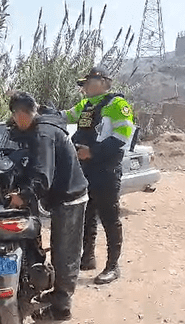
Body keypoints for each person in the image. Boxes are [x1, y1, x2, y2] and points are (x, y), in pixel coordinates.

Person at [7, 92, 89, 320]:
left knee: (66, 252)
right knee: (59, 246)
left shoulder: (44, 133)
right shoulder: (45, 124)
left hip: (70, 197)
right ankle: (57, 294)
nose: (14, 121)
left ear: (21, 114)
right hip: (64, 196)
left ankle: (62, 307)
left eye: (14, 117)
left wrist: (24, 195)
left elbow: (43, 176)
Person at [65, 66, 135, 285]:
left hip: (106, 171)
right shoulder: (86, 105)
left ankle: (113, 266)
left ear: (104, 81)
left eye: (88, 82)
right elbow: (65, 115)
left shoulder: (117, 105)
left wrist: (92, 152)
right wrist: (37, 111)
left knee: (110, 218)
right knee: (87, 216)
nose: (84, 87)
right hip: (86, 171)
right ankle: (87, 258)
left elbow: (123, 138)